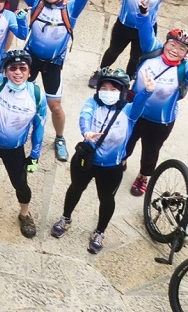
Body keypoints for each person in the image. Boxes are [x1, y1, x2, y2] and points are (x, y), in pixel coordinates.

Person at [50, 68, 154, 253]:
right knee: (75, 188)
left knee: (106, 199)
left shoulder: (129, 111)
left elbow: (139, 102)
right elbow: (85, 116)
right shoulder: (92, 103)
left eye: (113, 89)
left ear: (122, 92)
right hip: (86, 160)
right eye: (104, 88)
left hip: (111, 167)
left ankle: (100, 231)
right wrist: (86, 132)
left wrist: (147, 91)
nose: (108, 92)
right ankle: (65, 218)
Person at [126, 28, 188, 196]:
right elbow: (146, 31)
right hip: (133, 111)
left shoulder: (184, 69)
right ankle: (121, 160)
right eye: (172, 44)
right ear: (165, 43)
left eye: (182, 49)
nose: (175, 50)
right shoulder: (151, 51)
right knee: (125, 140)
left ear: (187, 54)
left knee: (150, 152)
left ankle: (143, 176)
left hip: (159, 121)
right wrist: (144, 14)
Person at [12, 0, 96, 162]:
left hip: (53, 64)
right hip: (31, 59)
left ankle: (59, 138)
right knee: (17, 95)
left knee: (55, 106)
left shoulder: (71, 9)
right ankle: (15, 128)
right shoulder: (36, 2)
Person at [0, 48, 49, 239]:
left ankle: (25, 214)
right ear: (5, 71)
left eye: (23, 68)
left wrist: (35, 155)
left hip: (14, 149)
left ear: (29, 72)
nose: (18, 72)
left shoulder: (37, 95)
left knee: (20, 183)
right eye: (12, 68)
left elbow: (39, 127)